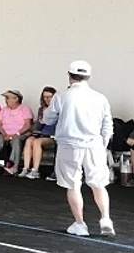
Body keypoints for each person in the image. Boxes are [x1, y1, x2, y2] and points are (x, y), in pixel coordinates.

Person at [42, 61, 114, 236]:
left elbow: (47, 120)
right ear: (88, 76)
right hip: (94, 146)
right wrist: (102, 145)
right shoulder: (100, 97)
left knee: (73, 184)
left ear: (69, 75)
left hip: (69, 146)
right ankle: (105, 218)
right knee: (98, 184)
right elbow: (107, 125)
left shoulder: (61, 96)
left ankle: (80, 224)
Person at [19, 87, 57, 179]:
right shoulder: (41, 109)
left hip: (52, 136)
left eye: (49, 97)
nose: (47, 99)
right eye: (45, 97)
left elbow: (56, 127)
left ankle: (35, 170)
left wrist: (49, 118)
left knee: (37, 142)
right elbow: (39, 127)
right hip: (42, 134)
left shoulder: (57, 110)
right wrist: (41, 119)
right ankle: (26, 168)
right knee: (29, 140)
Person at [0, 89, 33, 175]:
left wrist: (17, 134)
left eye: (8, 98)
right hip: (5, 133)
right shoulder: (4, 110)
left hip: (20, 132)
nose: (6, 100)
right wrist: (4, 134)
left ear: (16, 99)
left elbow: (28, 125)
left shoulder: (25, 109)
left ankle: (14, 166)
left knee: (15, 141)